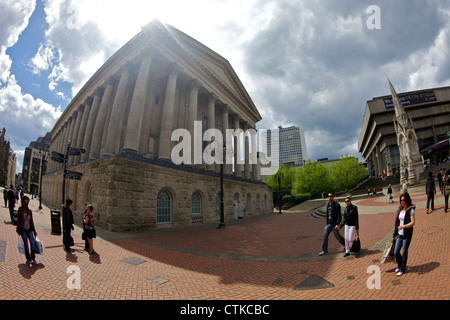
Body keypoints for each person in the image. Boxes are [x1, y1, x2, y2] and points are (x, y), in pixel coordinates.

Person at [393, 192, 415, 276]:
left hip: (407, 234)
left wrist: (404, 226)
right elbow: (397, 222)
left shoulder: (410, 209)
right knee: (396, 251)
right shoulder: (400, 210)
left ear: (407, 200)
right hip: (399, 234)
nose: (402, 202)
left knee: (404, 251)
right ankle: (400, 265)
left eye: (404, 200)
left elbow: (413, 222)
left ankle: (402, 268)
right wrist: (395, 233)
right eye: (401, 200)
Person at [16, 196, 38, 264]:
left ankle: (33, 258)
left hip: (29, 229)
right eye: (25, 201)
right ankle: (28, 258)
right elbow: (18, 220)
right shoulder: (20, 210)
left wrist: (34, 231)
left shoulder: (29, 211)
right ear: (23, 202)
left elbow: (31, 222)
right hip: (23, 230)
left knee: (32, 244)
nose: (27, 203)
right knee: (26, 244)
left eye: (27, 201)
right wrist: (18, 229)